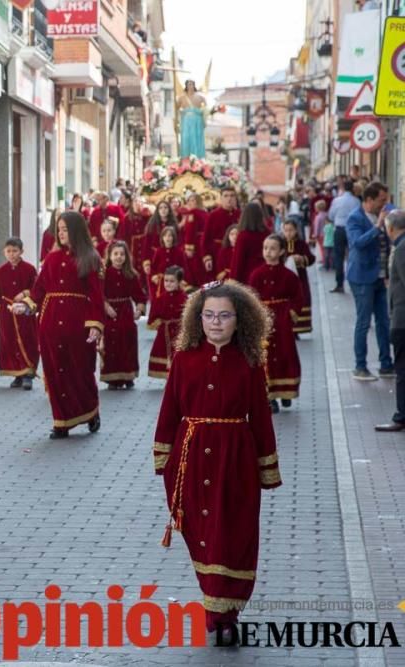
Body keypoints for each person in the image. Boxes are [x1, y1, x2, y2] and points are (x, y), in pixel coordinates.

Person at [153, 281, 280, 641]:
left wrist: (266, 469)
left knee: (233, 534)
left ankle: (226, 612)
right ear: (198, 318)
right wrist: (163, 456)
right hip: (190, 459)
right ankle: (216, 608)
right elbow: (169, 411)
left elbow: (261, 416)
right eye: (209, 315)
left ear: (239, 320)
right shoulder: (184, 358)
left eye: (224, 315)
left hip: (236, 460)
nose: (216, 322)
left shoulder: (250, 361)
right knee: (203, 533)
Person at [22, 211, 104, 438]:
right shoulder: (52, 258)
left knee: (81, 369)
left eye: (65, 229)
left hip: (77, 323)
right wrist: (27, 304)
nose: (61, 233)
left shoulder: (90, 258)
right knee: (54, 370)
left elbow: (96, 295)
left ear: (76, 230)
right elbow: (39, 289)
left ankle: (90, 411)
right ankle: (61, 420)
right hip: (49, 323)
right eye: (58, 229)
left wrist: (95, 325)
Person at [249, 235, 304, 413]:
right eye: (265, 248)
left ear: (281, 251)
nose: (268, 252)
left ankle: (286, 392)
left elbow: (298, 296)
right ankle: (269, 396)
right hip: (263, 320)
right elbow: (251, 298)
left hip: (281, 321)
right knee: (265, 358)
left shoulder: (288, 275)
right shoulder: (256, 274)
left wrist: (290, 314)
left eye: (272, 248)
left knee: (284, 354)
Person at [346, 182, 393, 381]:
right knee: (363, 322)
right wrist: (377, 226)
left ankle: (386, 363)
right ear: (369, 200)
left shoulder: (381, 217)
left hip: (380, 277)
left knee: (383, 321)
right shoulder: (355, 218)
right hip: (362, 277)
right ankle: (360, 366)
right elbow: (357, 243)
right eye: (382, 200)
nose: (385, 204)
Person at [0, 238, 39, 390]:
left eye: (15, 251)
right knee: (10, 342)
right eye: (8, 251)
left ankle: (28, 375)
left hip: (25, 311)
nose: (11, 254)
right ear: (4, 252)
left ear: (21, 251)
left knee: (27, 340)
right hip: (7, 313)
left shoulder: (30, 269)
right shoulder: (0, 271)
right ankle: (17, 375)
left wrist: (25, 294)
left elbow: (36, 289)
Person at [100, 241, 146, 389]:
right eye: (115, 254)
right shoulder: (104, 274)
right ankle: (112, 379)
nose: (119, 257)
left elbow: (140, 295)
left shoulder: (131, 275)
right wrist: (106, 307)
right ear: (110, 256)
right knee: (111, 341)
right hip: (109, 312)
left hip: (125, 312)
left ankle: (128, 376)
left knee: (128, 339)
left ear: (126, 256)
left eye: (122, 254)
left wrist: (139, 310)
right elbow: (98, 294)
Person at [376, 210, 405, 431]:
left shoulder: (402, 248)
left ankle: (401, 416)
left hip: (402, 320)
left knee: (402, 369)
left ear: (390, 228)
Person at [147, 266, 187, 379]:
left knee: (179, 354)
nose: (168, 284)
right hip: (164, 334)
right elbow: (152, 318)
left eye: (172, 281)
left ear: (179, 282)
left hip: (179, 333)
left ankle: (177, 378)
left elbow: (188, 316)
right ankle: (169, 380)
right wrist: (159, 322)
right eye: (166, 280)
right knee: (163, 353)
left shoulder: (184, 298)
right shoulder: (159, 299)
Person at [281, 219, 316, 334]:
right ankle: (288, 327)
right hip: (284, 278)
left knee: (301, 298)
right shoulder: (281, 243)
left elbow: (311, 258)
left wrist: (301, 259)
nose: (288, 233)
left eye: (291, 230)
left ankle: (298, 328)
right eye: (286, 230)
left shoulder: (301, 244)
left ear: (296, 230)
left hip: (300, 278)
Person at [327, 179, 361, 293]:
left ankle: (339, 284)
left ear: (342, 188)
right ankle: (353, 282)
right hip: (353, 230)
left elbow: (331, 215)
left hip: (340, 229)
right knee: (353, 256)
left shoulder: (337, 200)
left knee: (339, 257)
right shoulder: (356, 201)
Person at [201, 187, 241, 276]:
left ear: (235, 198)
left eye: (232, 196)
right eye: (226, 196)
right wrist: (207, 257)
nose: (229, 198)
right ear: (221, 198)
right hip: (217, 253)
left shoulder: (240, 214)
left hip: (237, 252)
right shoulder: (213, 215)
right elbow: (205, 239)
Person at [229, 203, 270, 284]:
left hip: (247, 274)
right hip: (265, 271)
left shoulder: (243, 236)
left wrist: (233, 280)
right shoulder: (267, 233)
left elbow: (238, 260)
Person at [141, 200, 178, 284]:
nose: (163, 210)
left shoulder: (173, 224)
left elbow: (179, 241)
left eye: (165, 207)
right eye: (160, 208)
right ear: (157, 210)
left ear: (169, 210)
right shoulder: (152, 225)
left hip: (172, 257)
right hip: (154, 258)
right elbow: (146, 245)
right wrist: (146, 262)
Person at [149, 226, 188, 301]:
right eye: (165, 235)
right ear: (162, 238)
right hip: (163, 282)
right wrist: (154, 276)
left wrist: (182, 279)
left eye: (170, 235)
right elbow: (153, 267)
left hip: (175, 281)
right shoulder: (159, 251)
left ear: (173, 238)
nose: (168, 238)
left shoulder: (179, 252)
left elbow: (183, 267)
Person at [181, 193, 210, 285]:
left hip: (195, 243)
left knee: (195, 267)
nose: (190, 202)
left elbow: (190, 230)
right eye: (189, 200)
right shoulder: (205, 213)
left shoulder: (192, 212)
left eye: (192, 200)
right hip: (203, 241)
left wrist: (189, 248)